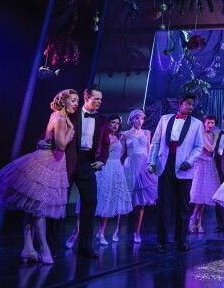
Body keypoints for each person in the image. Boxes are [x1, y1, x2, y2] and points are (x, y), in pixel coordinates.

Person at [0, 89, 77, 264]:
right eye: (73, 100)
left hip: (54, 164)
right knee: (39, 209)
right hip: (47, 162)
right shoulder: (59, 118)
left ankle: (28, 248)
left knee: (32, 208)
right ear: (64, 100)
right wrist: (70, 129)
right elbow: (61, 146)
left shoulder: (59, 116)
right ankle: (44, 249)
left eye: (77, 101)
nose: (75, 104)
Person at [51, 85, 109, 259]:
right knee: (59, 204)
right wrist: (43, 143)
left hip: (87, 164)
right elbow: (54, 132)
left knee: (90, 202)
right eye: (96, 98)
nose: (99, 102)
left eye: (101, 99)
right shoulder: (71, 114)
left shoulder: (102, 120)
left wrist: (102, 161)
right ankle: (52, 247)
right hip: (66, 162)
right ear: (87, 98)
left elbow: (106, 144)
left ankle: (85, 247)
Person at [148, 93, 204, 253]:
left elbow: (198, 146)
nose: (190, 107)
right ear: (180, 104)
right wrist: (151, 162)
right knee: (164, 205)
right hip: (166, 165)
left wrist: (189, 161)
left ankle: (181, 240)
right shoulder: (165, 119)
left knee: (183, 206)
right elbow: (156, 142)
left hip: (184, 168)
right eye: (188, 104)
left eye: (192, 105)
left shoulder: (197, 124)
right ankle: (161, 241)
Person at [117, 109, 157, 243]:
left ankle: (137, 232)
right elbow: (121, 153)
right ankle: (118, 229)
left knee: (141, 203)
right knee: (125, 200)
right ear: (132, 120)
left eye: (142, 119)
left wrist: (152, 164)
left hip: (143, 166)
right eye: (137, 118)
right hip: (130, 166)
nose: (140, 121)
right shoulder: (125, 134)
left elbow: (149, 150)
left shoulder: (147, 133)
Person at [94, 114, 133, 245]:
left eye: (117, 123)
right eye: (112, 123)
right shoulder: (104, 137)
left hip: (116, 169)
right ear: (107, 123)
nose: (115, 125)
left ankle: (101, 233)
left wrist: (121, 141)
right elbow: (100, 152)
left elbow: (119, 155)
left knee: (109, 201)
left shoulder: (116, 137)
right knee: (101, 200)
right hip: (105, 168)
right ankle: (77, 233)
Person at [189, 114, 221, 234]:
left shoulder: (214, 133)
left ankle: (197, 221)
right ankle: (194, 219)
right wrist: (216, 138)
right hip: (200, 164)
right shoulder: (200, 133)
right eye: (208, 123)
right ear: (204, 123)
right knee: (199, 195)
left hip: (210, 164)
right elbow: (210, 148)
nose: (210, 125)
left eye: (212, 123)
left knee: (206, 196)